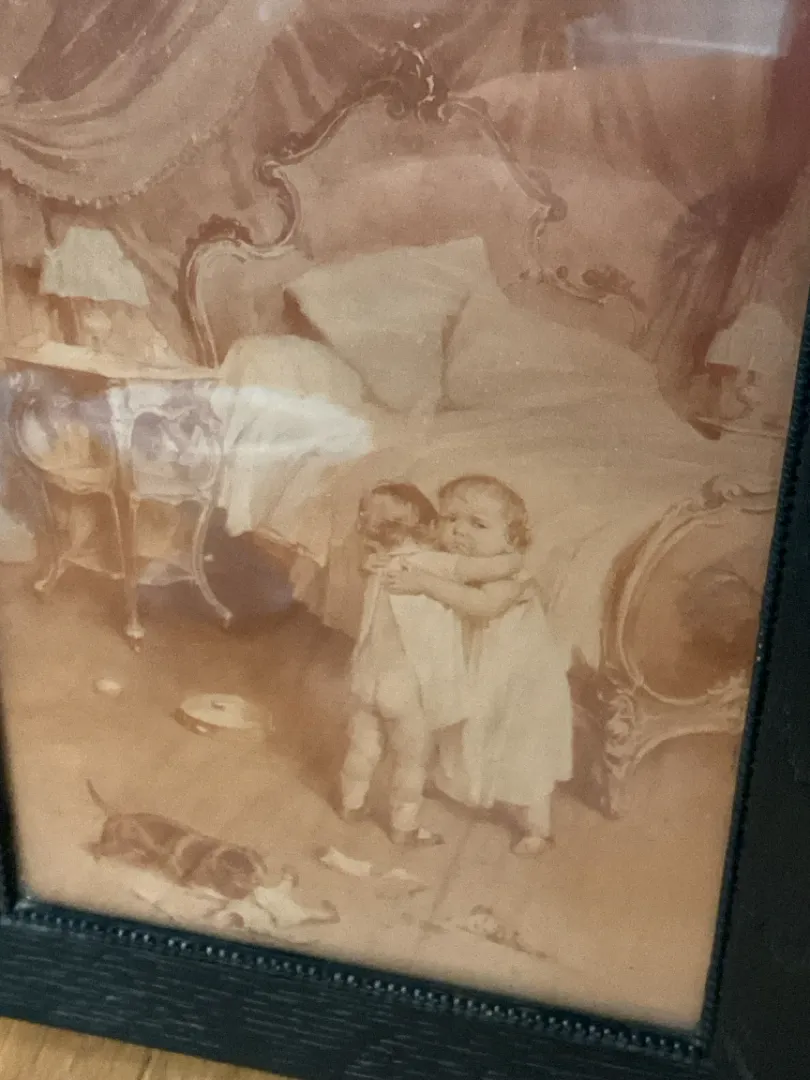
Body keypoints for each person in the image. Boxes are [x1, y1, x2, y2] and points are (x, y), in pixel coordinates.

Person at [384, 475, 573, 856]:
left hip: (517, 683)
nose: (459, 531)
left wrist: (424, 583)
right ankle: (459, 785)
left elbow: (483, 605)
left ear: (511, 539)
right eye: (451, 519)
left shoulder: (510, 573)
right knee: (466, 732)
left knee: (519, 750)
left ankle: (537, 827)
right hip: (479, 671)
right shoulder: (455, 564)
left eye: (478, 524)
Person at [339, 480, 524, 846]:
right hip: (406, 688)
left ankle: (351, 804)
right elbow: (491, 569)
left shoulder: (380, 565)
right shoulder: (436, 564)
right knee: (412, 761)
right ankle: (403, 826)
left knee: (363, 747)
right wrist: (518, 556)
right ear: (427, 526)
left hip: (366, 676)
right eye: (446, 521)